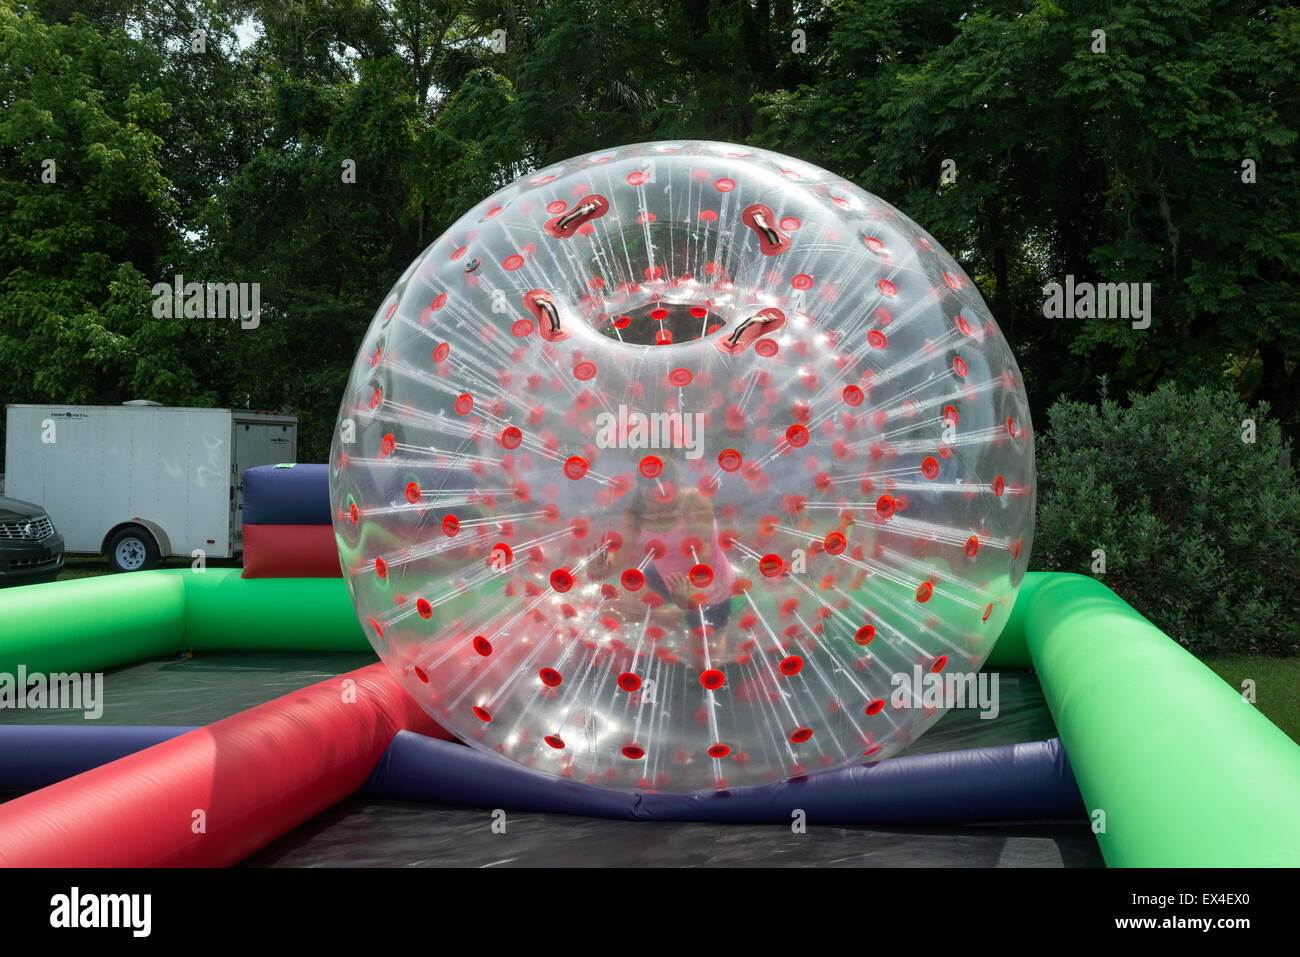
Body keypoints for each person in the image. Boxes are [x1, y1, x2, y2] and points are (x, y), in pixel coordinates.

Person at [592, 457, 736, 660]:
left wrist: (686, 600)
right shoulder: (637, 508)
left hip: (708, 587)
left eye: (663, 498)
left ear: (676, 488)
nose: (655, 508)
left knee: (704, 664)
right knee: (608, 611)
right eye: (649, 500)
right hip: (662, 574)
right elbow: (619, 556)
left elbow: (702, 561)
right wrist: (603, 568)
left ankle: (722, 626)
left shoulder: (695, 502)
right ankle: (664, 616)